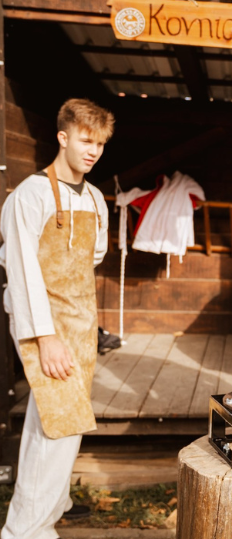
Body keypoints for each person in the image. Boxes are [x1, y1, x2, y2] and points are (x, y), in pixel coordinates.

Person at [1, 99, 113, 538]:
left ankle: (53, 504)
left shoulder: (95, 197)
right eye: (86, 141)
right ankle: (26, 530)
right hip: (45, 325)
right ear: (63, 137)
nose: (94, 151)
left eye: (101, 144)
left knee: (59, 421)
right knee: (59, 424)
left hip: (81, 324)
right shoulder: (29, 195)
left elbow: (94, 257)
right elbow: (23, 270)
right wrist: (45, 336)